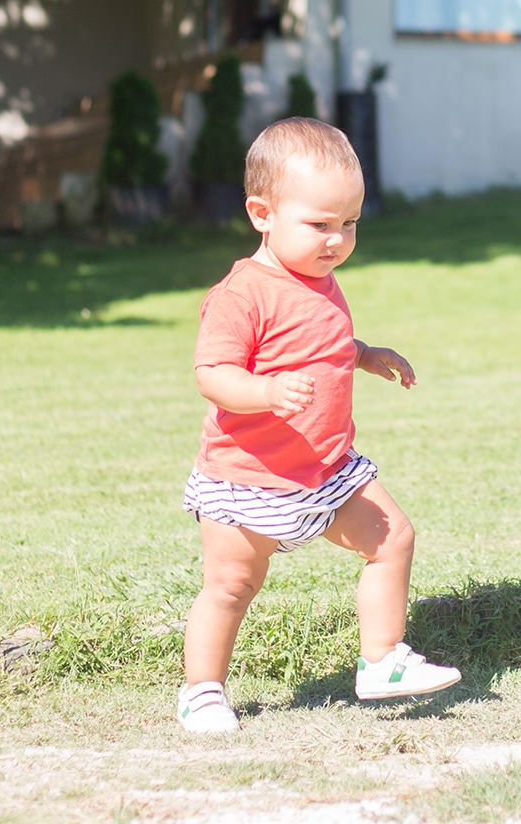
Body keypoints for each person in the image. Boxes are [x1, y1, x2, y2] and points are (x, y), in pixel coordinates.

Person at [178, 116, 460, 734]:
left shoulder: (320, 279)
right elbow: (212, 372)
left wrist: (365, 354)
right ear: (262, 213)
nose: (336, 240)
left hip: (326, 467)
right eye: (320, 224)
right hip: (247, 477)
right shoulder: (242, 292)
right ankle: (202, 691)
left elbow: (319, 342)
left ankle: (382, 660)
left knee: (394, 538)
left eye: (349, 224)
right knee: (231, 584)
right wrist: (265, 391)